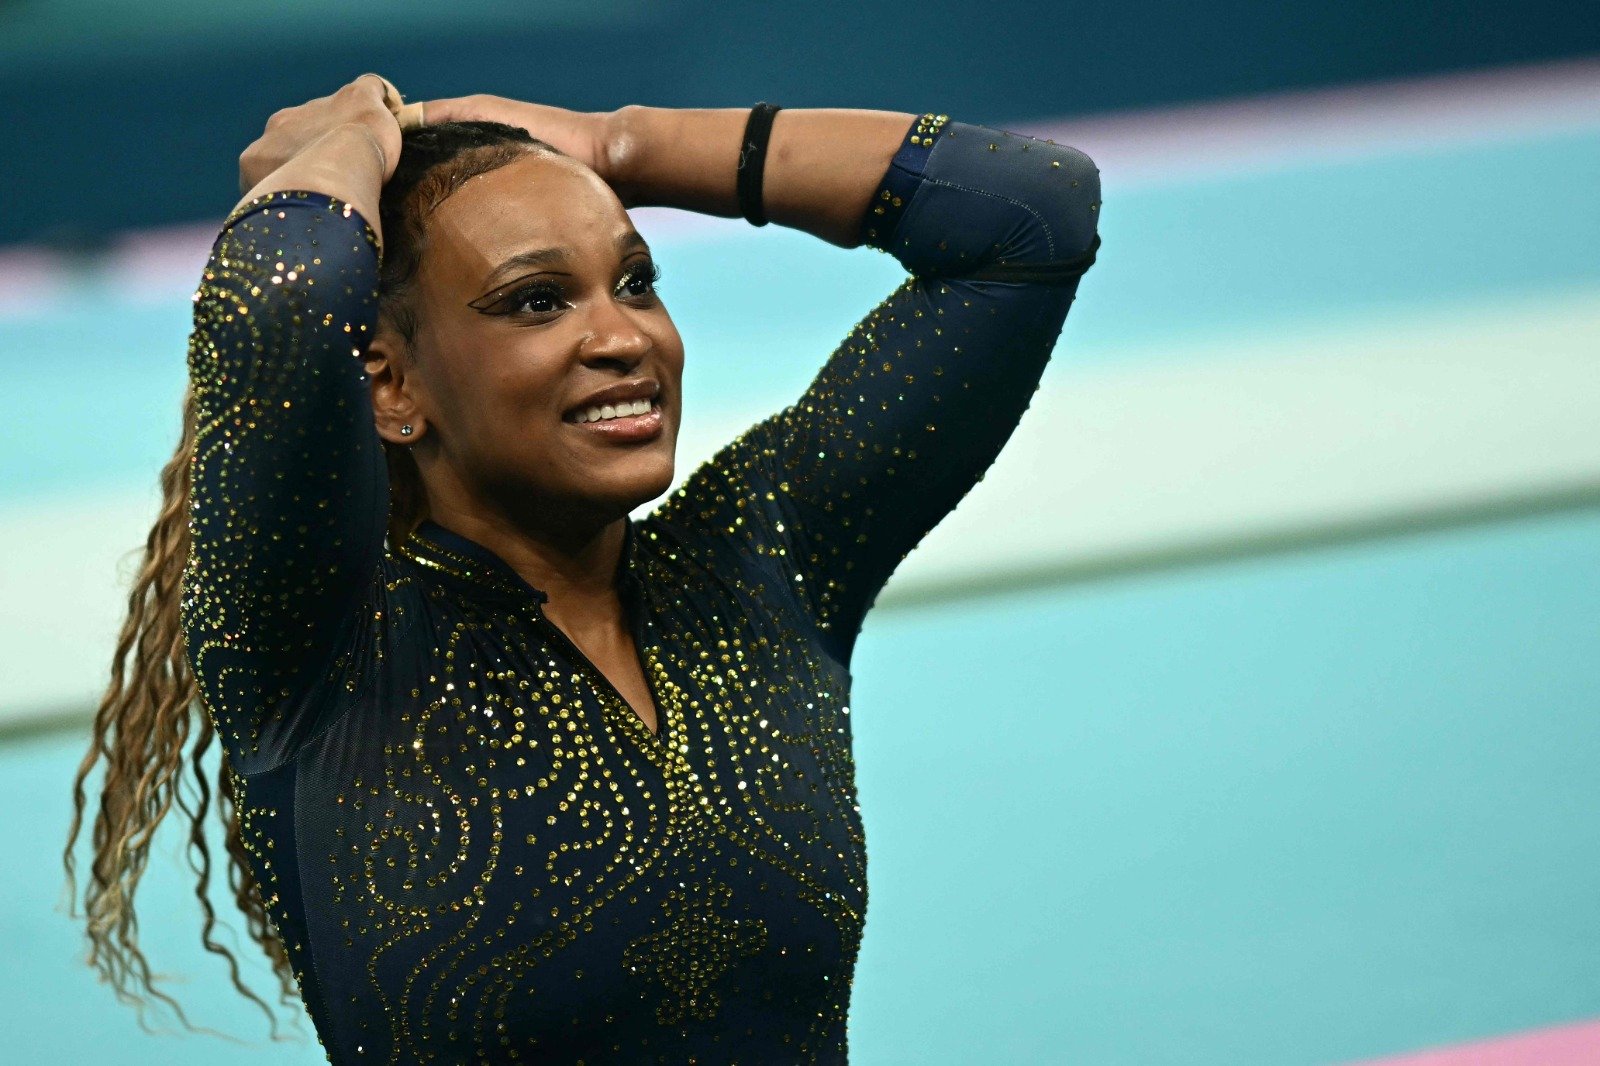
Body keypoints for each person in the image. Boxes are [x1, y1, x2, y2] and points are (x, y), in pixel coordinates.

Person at [64, 73, 1101, 1063]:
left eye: (636, 282)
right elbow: (284, 303)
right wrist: (346, 141)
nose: (621, 337)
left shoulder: (761, 565)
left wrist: (623, 145)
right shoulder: (324, 649)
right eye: (534, 302)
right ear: (387, 382)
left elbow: (1027, 209)